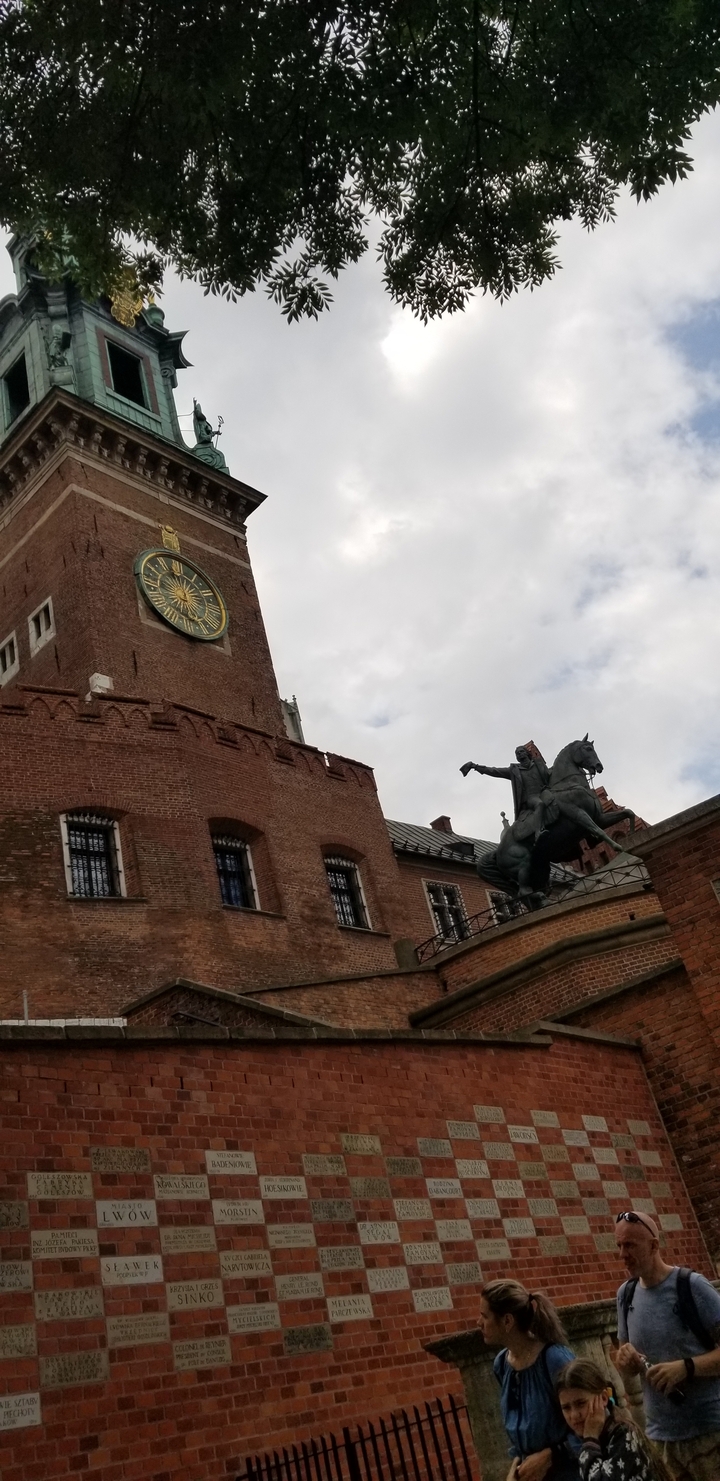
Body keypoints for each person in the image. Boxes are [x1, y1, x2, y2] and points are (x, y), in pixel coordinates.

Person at [613, 1208, 720, 1480]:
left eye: (630, 1245)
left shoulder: (692, 1286)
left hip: (710, 1433)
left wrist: (686, 1367)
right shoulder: (625, 1295)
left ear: (654, 1246)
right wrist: (626, 1362)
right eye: (619, 1246)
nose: (623, 1254)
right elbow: (625, 1360)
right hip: (661, 1440)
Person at [478, 1278, 579, 1481]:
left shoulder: (555, 1359)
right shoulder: (501, 1364)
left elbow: (596, 1418)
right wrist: (516, 1467)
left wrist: (553, 1455)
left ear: (507, 1321)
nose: (479, 1323)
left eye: (485, 1316)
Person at [556, 1357, 673, 1481]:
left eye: (581, 1403)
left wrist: (590, 1439)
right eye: (566, 1408)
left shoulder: (623, 1434)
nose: (574, 1415)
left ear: (604, 1398)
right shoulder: (584, 1439)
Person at [460, 745, 554, 842]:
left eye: (521, 751)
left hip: (544, 791)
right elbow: (495, 771)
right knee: (539, 804)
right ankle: (538, 833)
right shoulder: (514, 771)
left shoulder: (538, 764)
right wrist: (475, 766)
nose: (519, 754)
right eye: (517, 753)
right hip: (531, 798)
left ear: (527, 753)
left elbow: (550, 774)